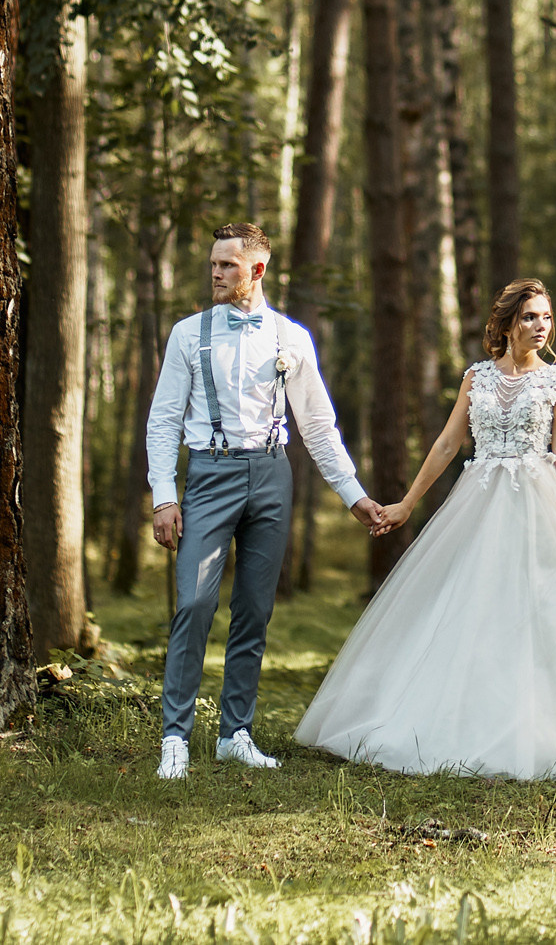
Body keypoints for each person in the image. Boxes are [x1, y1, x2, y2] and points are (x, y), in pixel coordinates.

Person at [294, 279, 556, 778]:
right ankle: (453, 721)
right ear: (505, 324)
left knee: (549, 611)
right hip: (478, 501)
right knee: (467, 605)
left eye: (546, 317)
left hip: (538, 505)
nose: (540, 327)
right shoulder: (476, 378)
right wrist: (407, 503)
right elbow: (445, 444)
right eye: (529, 318)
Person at [146, 222, 392, 780]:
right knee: (194, 604)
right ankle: (175, 738)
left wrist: (352, 494)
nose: (215, 272)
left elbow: (319, 426)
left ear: (256, 270)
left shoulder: (291, 337)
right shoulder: (188, 334)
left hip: (272, 476)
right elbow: (163, 421)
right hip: (209, 474)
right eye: (213, 262)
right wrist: (165, 496)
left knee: (254, 611)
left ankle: (236, 733)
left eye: (228, 265)